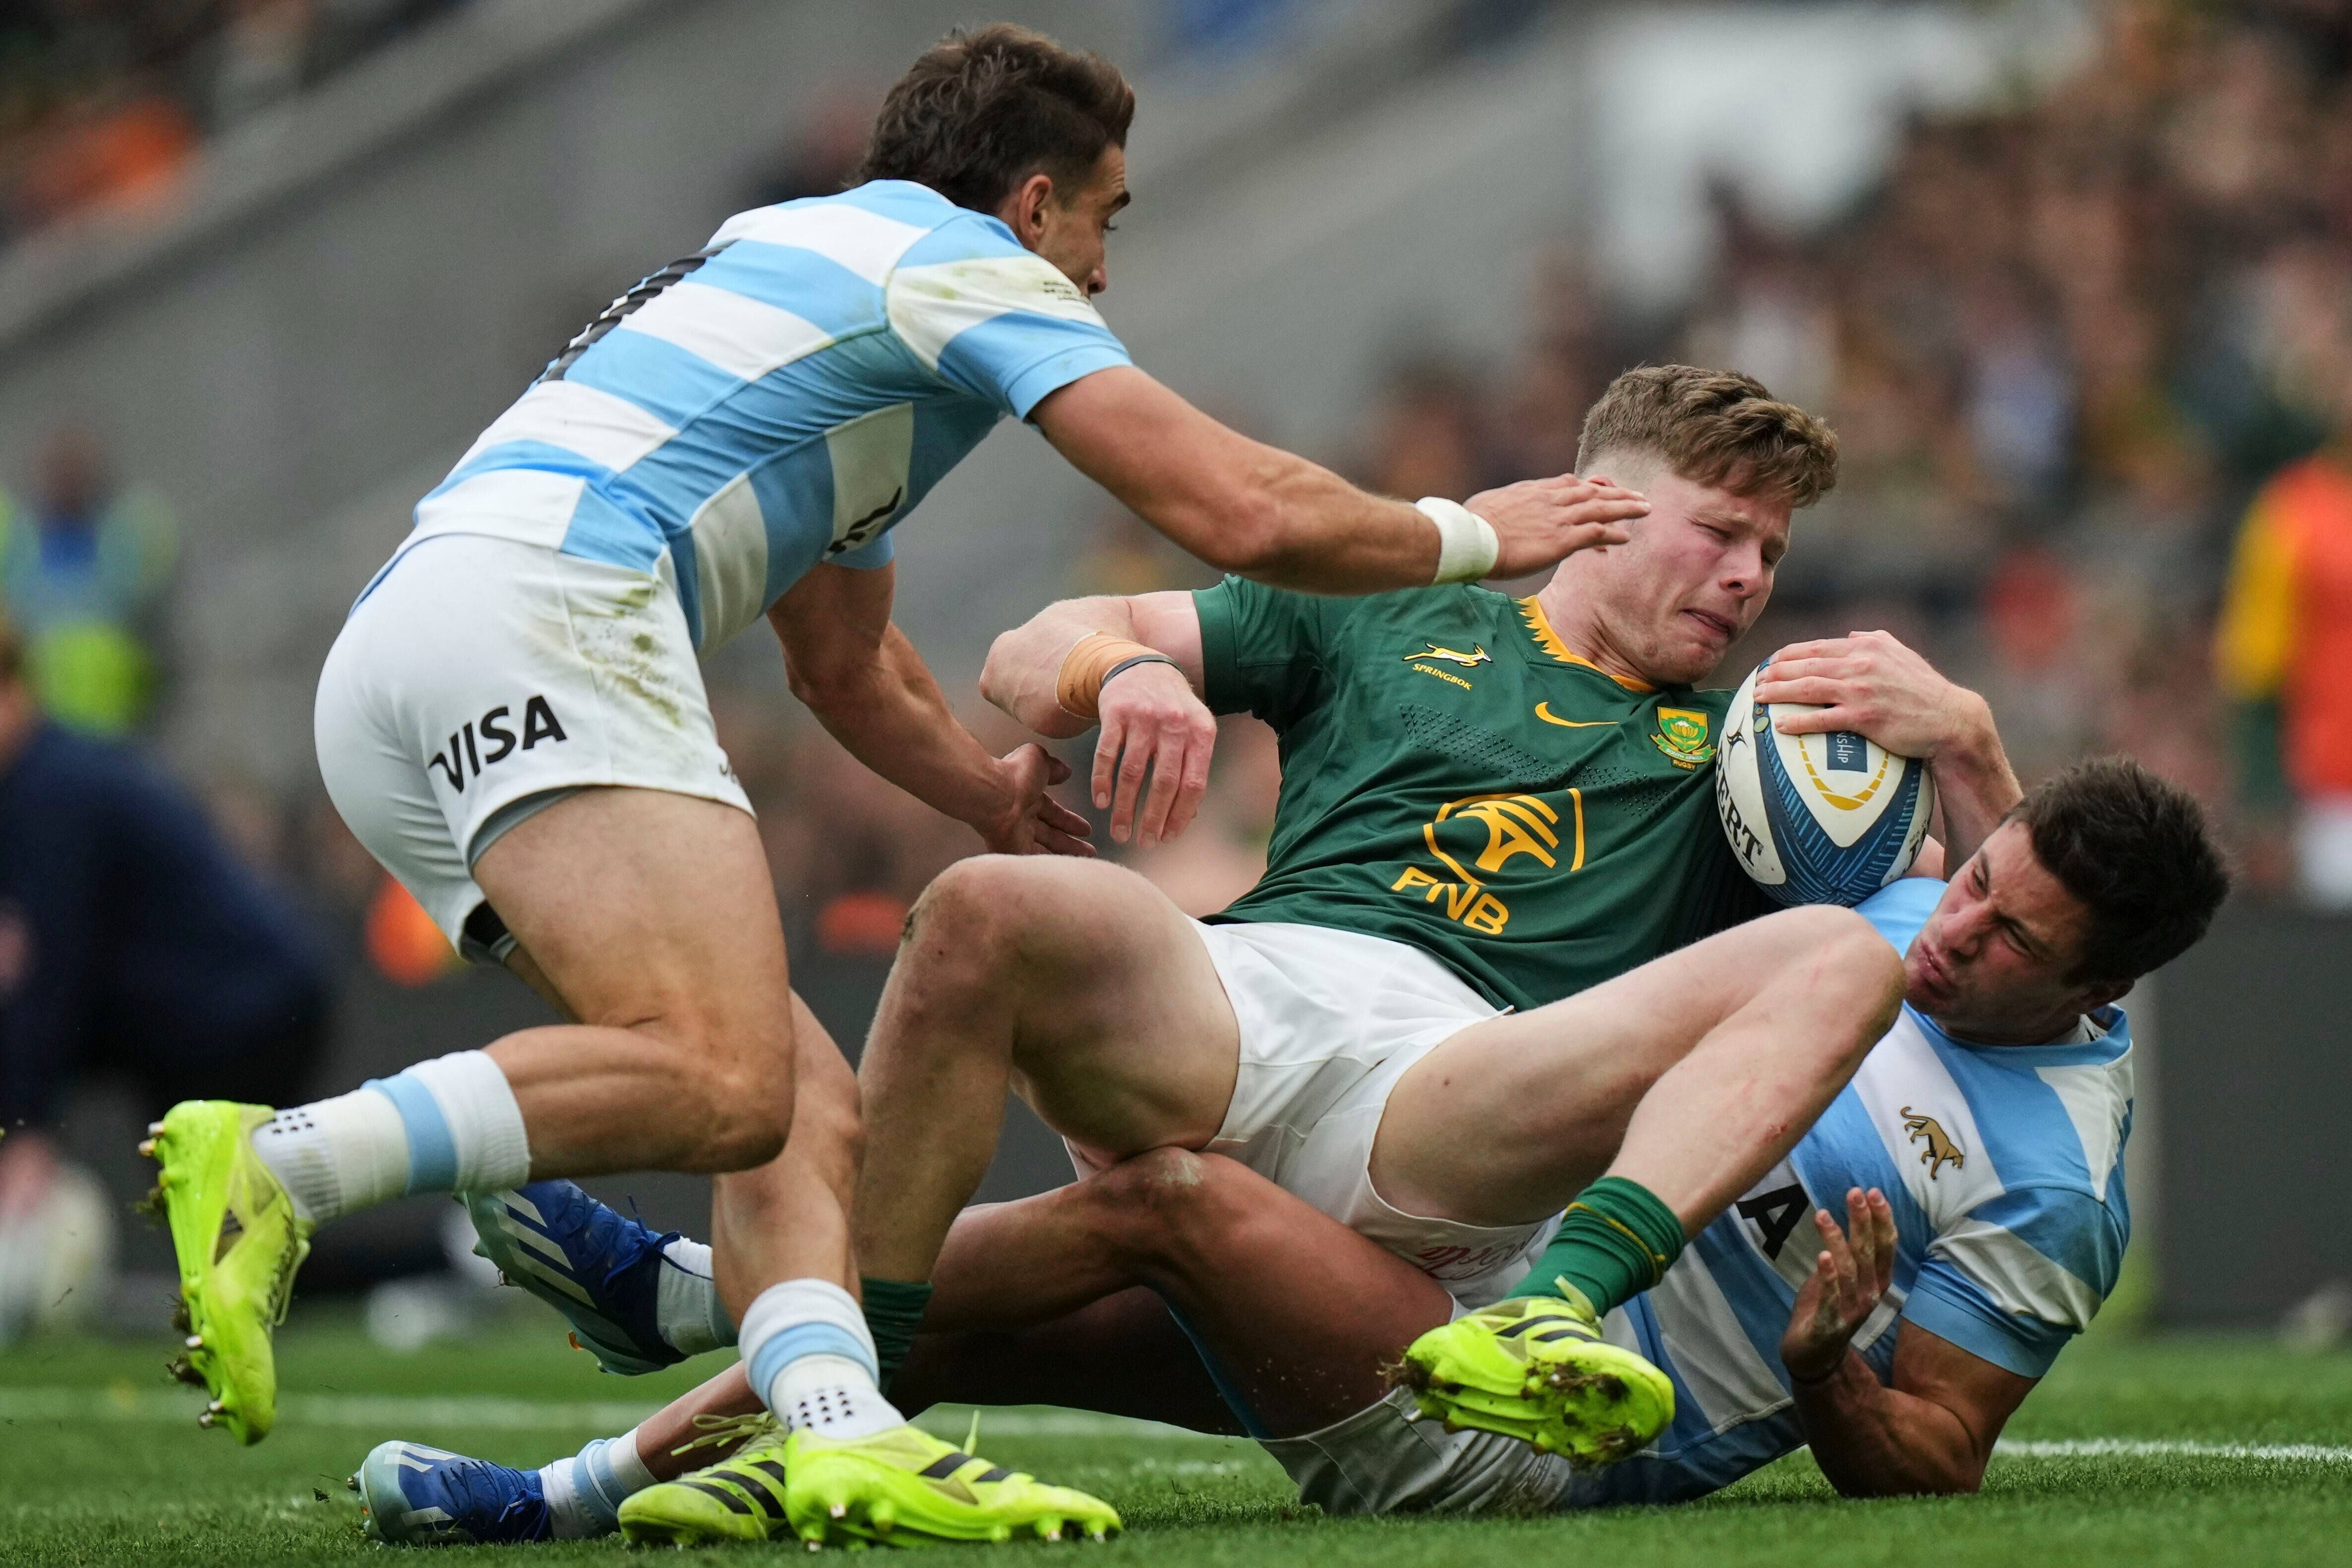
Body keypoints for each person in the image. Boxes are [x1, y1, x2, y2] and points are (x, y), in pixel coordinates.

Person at [142, 18, 1645, 1545]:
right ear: (1032, 207)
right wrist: (1473, 532)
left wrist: (987, 799)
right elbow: (1234, 506)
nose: (1105, 275)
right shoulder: (954, 268)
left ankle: (832, 1424)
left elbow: (843, 664)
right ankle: (285, 1165)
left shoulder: (809, 292)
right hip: (557, 608)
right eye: (1104, 220)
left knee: (798, 1108)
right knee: (727, 1079)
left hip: (405, 655)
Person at [346, 365, 2016, 1544]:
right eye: (1718, 530)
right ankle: (827, 1417)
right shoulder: (1382, 600)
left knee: (1820, 944)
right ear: (1592, 508)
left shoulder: (1752, 759)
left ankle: (1557, 1301)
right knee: (984, 908)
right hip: (1240, 1002)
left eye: (1770, 555)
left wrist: (1968, 748)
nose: (1745, 576)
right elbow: (1027, 643)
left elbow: (1971, 938)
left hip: (1461, 1091)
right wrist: (1120, 672)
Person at [365, 759, 2223, 1534]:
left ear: (2100, 986)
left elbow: (1934, 1466)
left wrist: (1825, 1370)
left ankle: (686, 1302)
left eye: (2002, 941)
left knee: (1163, 1204)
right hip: (1457, 1249)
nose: (1951, 929)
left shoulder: (2053, 1179)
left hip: (1528, 1442)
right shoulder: (1902, 895)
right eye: (1972, 878)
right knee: (928, 1346)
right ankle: (578, 1487)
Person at [0, 613, 328, 1343]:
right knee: (240, 1263)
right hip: (198, 1021)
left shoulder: (55, 790)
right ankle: (434, 1256)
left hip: (241, 1019)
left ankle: (439, 1256)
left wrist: (26, 1134)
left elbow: (54, 974)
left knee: (246, 1267)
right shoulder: (42, 781)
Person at [0, 424, 176, 736]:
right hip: (36, 729)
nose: (67, 478)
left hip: (121, 726)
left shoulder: (128, 543)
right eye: (59, 467)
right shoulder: (16, 546)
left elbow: (161, 642)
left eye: (76, 466)